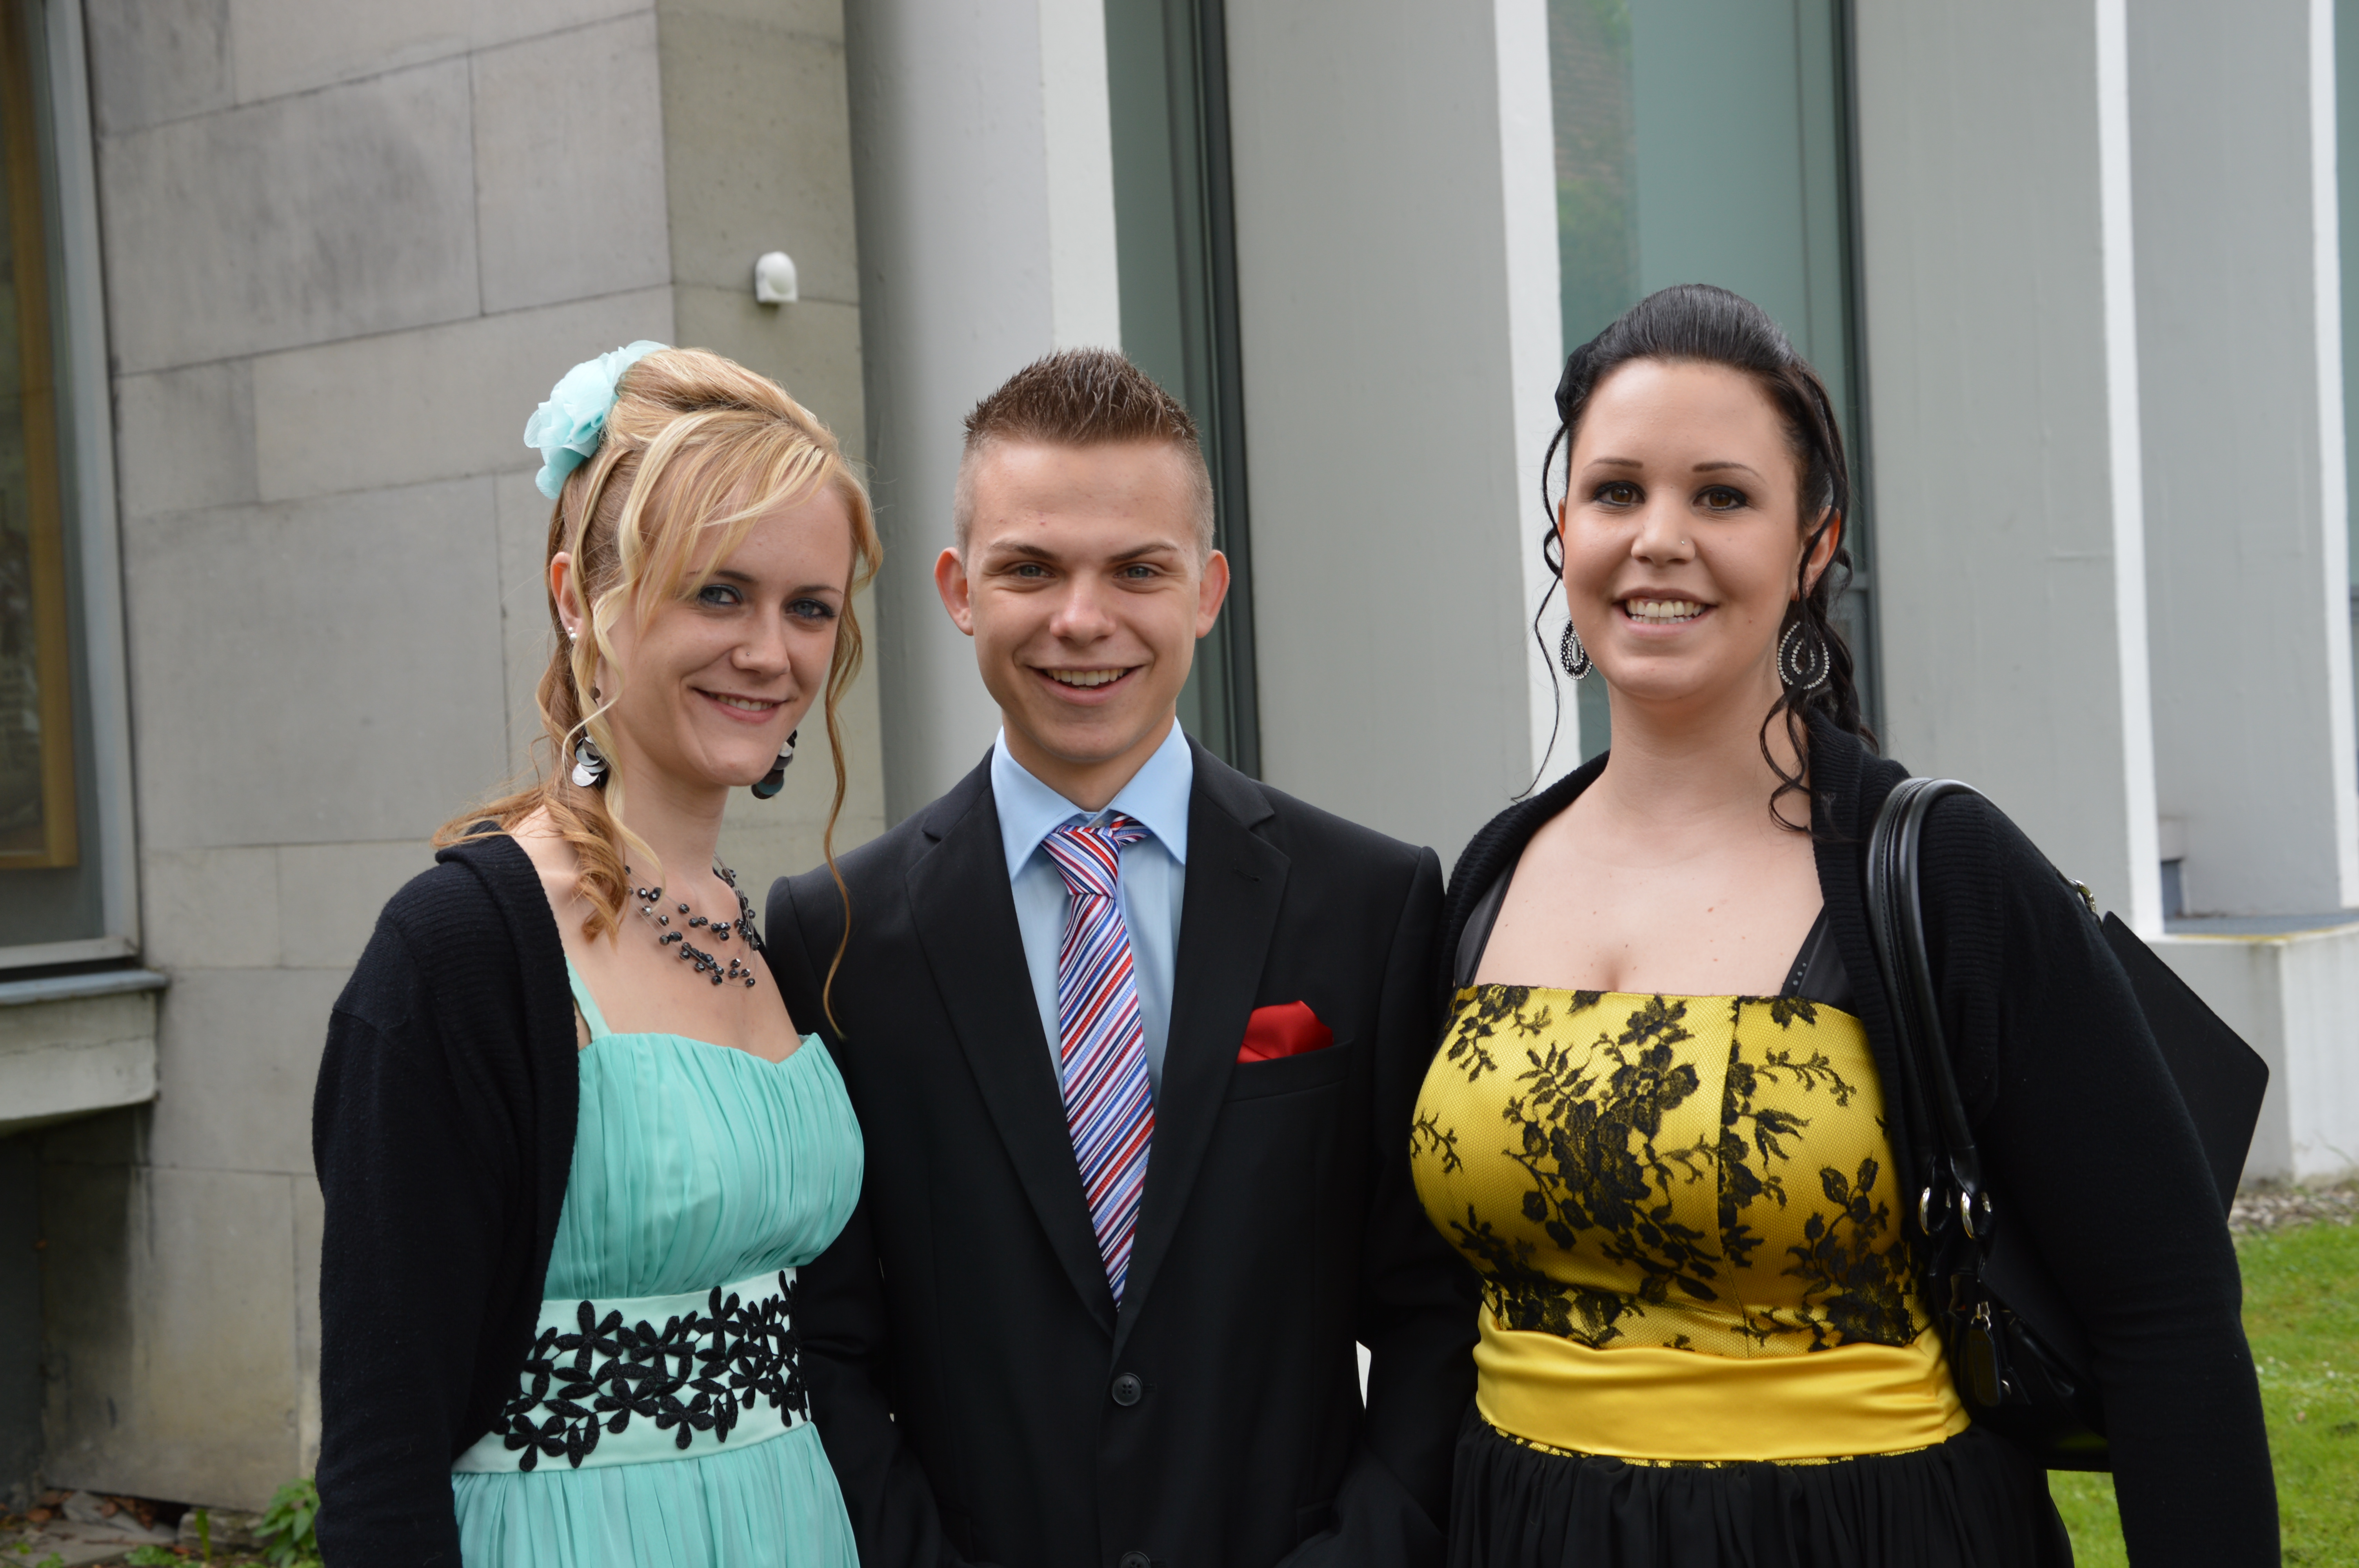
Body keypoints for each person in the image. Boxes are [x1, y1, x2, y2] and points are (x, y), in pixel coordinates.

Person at [1410, 285, 2277, 1567]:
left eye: (1722, 497)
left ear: (1813, 545)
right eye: (1616, 492)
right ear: (1563, 530)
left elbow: (2168, 1312)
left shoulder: (1936, 870)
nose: (1659, 539)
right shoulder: (1493, 870)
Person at [761, 348, 1479, 1568]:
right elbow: (821, 1341)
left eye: (1138, 570)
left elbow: (1436, 1310)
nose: (1082, 620)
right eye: (1032, 569)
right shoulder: (834, 933)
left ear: (1207, 590)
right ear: (959, 590)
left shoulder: (1373, 903)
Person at [312, 343, 881, 1567]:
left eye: (810, 608)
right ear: (578, 596)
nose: (771, 652)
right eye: (717, 593)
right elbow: (379, 1445)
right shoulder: (459, 952)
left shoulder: (769, 936)